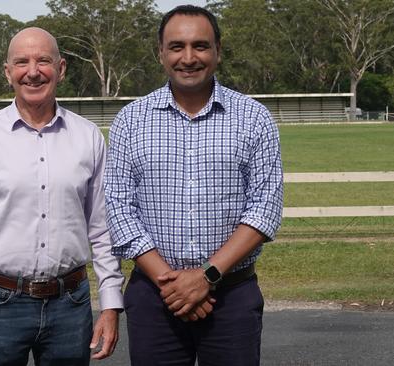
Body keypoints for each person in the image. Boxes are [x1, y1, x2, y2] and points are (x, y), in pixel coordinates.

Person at [104, 5, 283, 366]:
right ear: (161, 53)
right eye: (176, 47)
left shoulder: (254, 118)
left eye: (200, 46)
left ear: (217, 50)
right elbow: (119, 208)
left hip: (231, 296)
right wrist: (173, 285)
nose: (188, 58)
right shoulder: (130, 120)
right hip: (155, 298)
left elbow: (265, 208)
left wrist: (207, 276)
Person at [0, 27, 124, 366]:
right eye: (21, 62)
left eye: (44, 61)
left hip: (70, 305)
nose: (33, 71)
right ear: (8, 72)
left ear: (62, 69)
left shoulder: (88, 137)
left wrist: (111, 303)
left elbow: (102, 228)